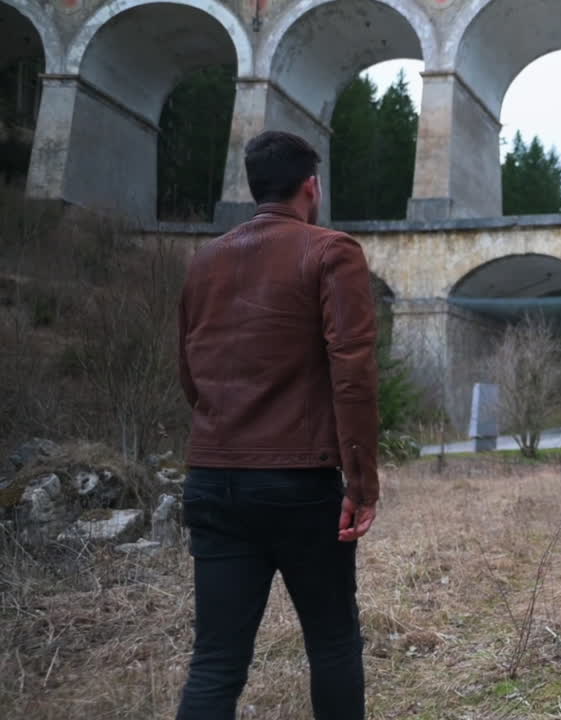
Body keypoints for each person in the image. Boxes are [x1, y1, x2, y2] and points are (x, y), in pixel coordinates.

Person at [175, 130, 380, 720]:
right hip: (299, 485)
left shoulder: (205, 259)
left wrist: (223, 430)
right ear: (310, 187)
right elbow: (353, 373)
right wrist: (362, 482)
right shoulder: (331, 251)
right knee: (333, 643)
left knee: (215, 662)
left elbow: (190, 370)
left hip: (212, 479)